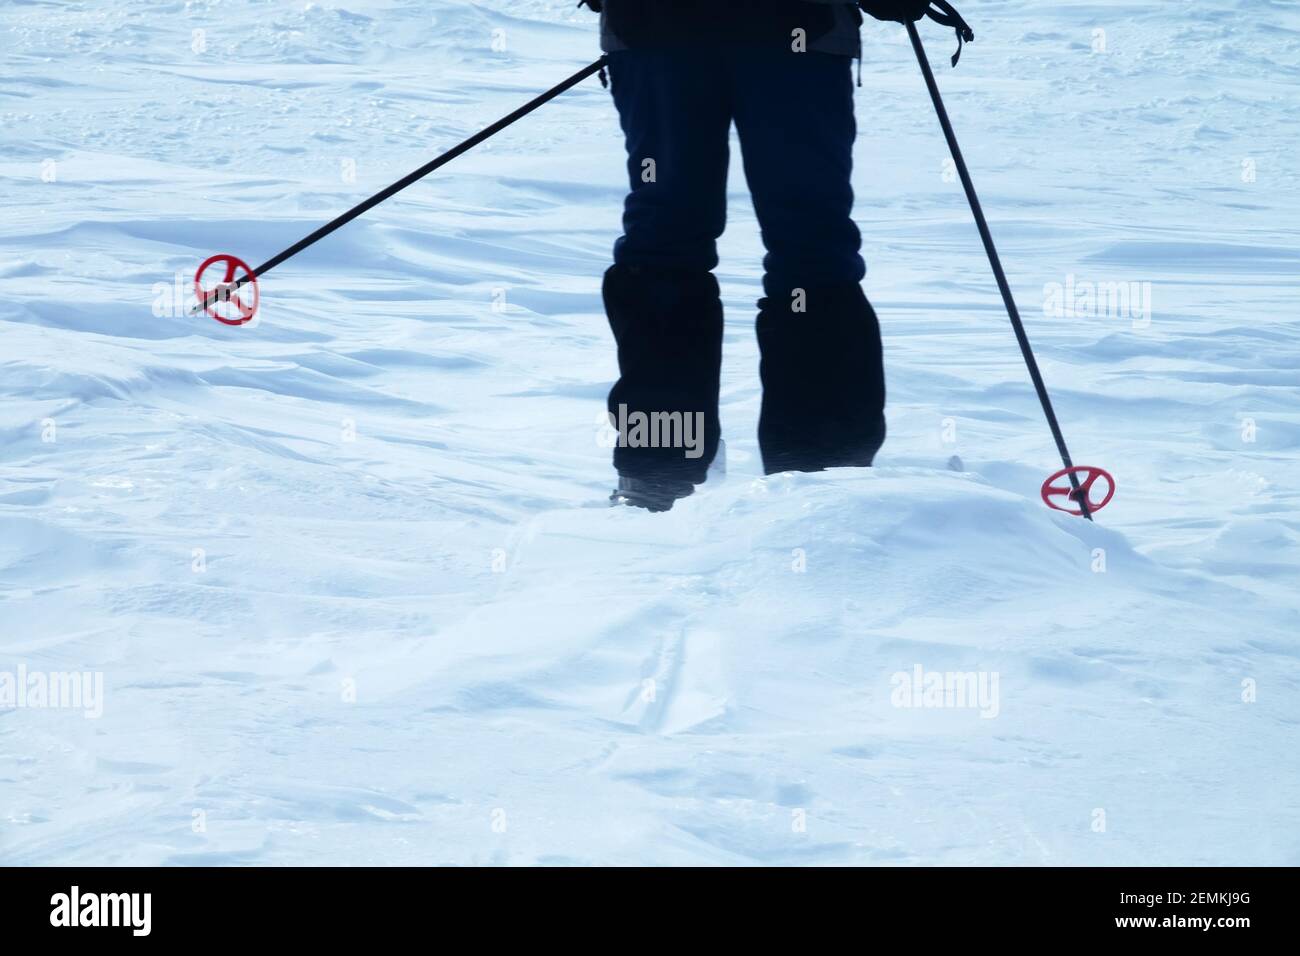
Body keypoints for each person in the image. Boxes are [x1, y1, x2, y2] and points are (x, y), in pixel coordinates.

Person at [585, 0, 932, 511]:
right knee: (672, 245)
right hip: (664, 25)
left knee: (802, 247)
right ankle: (661, 466)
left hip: (784, 27)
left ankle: (817, 470)